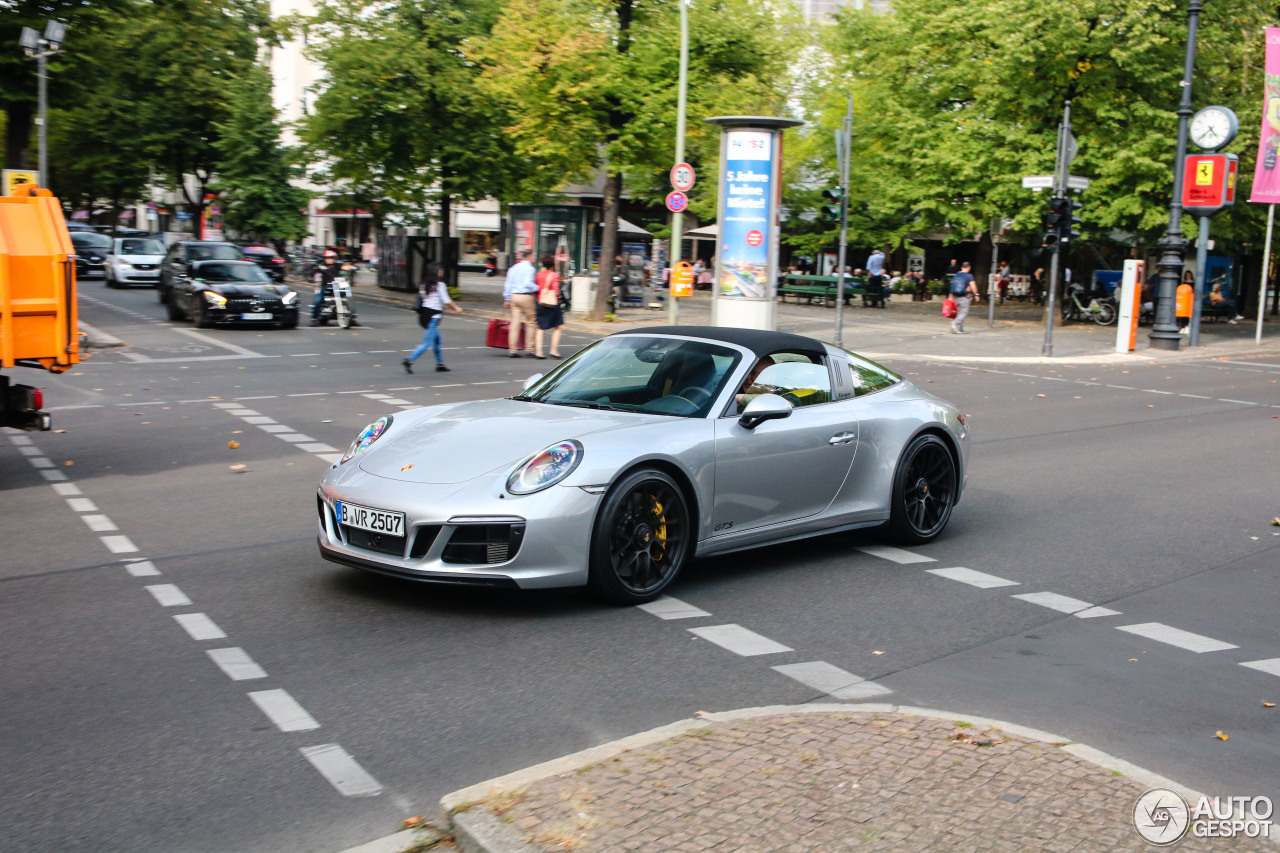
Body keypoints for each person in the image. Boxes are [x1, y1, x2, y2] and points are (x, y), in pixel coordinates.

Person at [403, 264, 462, 374]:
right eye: (440, 270)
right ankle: (409, 360)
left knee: (437, 340)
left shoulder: (423, 284)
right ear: (435, 272)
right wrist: (456, 308)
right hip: (433, 316)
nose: (442, 272)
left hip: (424, 315)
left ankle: (440, 364)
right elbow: (446, 300)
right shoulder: (440, 285)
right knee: (426, 343)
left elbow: (424, 298)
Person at [502, 249, 538, 357]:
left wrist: (507, 298)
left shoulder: (514, 268)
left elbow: (508, 284)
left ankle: (512, 350)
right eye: (534, 255)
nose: (535, 258)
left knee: (515, 323)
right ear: (529, 256)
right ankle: (529, 348)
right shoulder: (530, 269)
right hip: (525, 296)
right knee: (532, 321)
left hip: (514, 296)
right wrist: (537, 287)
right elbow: (528, 283)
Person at [533, 253, 565, 359]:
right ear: (552, 264)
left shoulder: (538, 274)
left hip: (541, 302)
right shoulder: (554, 275)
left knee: (540, 328)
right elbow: (556, 291)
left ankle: (539, 352)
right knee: (558, 326)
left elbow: (536, 288)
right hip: (552, 304)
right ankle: (554, 350)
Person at [310, 250, 341, 326]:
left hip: (337, 286)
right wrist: (316, 270)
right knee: (318, 300)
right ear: (324, 258)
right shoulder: (321, 266)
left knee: (349, 296)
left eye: (331, 257)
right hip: (326, 286)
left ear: (335, 258)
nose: (329, 259)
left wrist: (352, 267)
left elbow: (345, 266)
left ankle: (352, 318)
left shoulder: (337, 265)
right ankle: (314, 319)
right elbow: (315, 271)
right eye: (327, 257)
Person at [949, 261, 979, 334]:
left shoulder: (956, 275)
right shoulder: (969, 276)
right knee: (964, 312)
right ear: (969, 268)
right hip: (964, 296)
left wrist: (950, 296)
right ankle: (954, 323)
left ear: (962, 267)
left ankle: (960, 329)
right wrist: (977, 294)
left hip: (955, 296)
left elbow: (952, 286)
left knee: (959, 312)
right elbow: (973, 286)